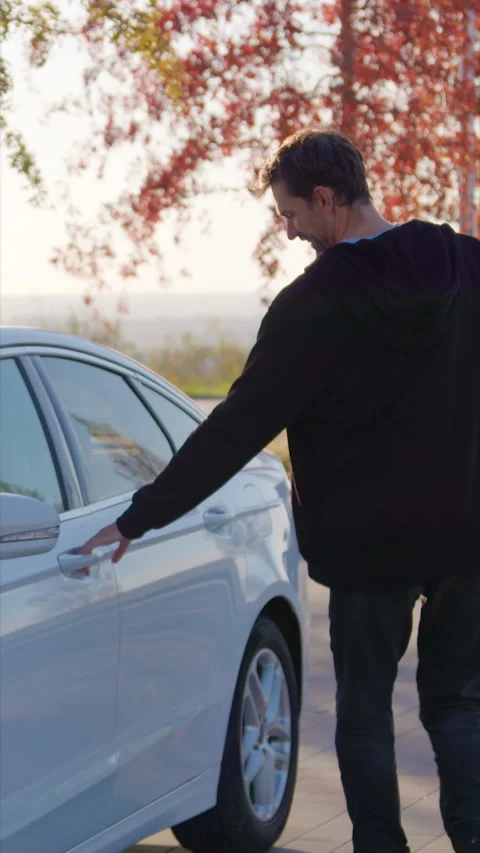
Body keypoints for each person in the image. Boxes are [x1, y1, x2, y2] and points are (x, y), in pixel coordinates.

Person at [80, 129, 480, 853]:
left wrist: (142, 515)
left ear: (326, 199)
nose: (289, 231)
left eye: (290, 214)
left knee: (363, 713)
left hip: (367, 550)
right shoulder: (467, 264)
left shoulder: (313, 302)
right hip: (467, 535)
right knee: (459, 704)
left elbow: (237, 426)